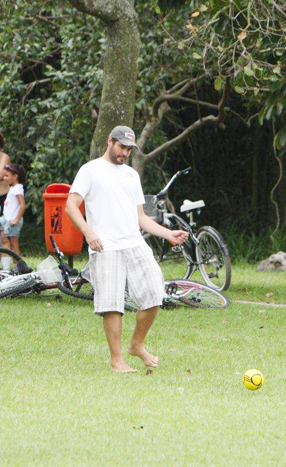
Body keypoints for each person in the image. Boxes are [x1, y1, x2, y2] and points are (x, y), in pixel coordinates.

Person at [65, 125, 189, 373]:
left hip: (134, 243)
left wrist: (168, 234)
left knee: (155, 293)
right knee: (112, 304)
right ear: (109, 141)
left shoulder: (131, 175)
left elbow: (140, 217)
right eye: (121, 147)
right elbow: (71, 205)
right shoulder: (90, 170)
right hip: (105, 246)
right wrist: (89, 233)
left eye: (128, 149)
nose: (124, 153)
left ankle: (136, 344)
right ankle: (117, 361)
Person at [0, 164, 27, 257]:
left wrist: (16, 219)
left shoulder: (18, 188)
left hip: (13, 220)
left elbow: (22, 204)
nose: (4, 178)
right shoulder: (13, 187)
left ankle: (19, 267)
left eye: (7, 176)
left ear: (15, 177)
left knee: (13, 244)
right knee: (7, 241)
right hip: (7, 219)